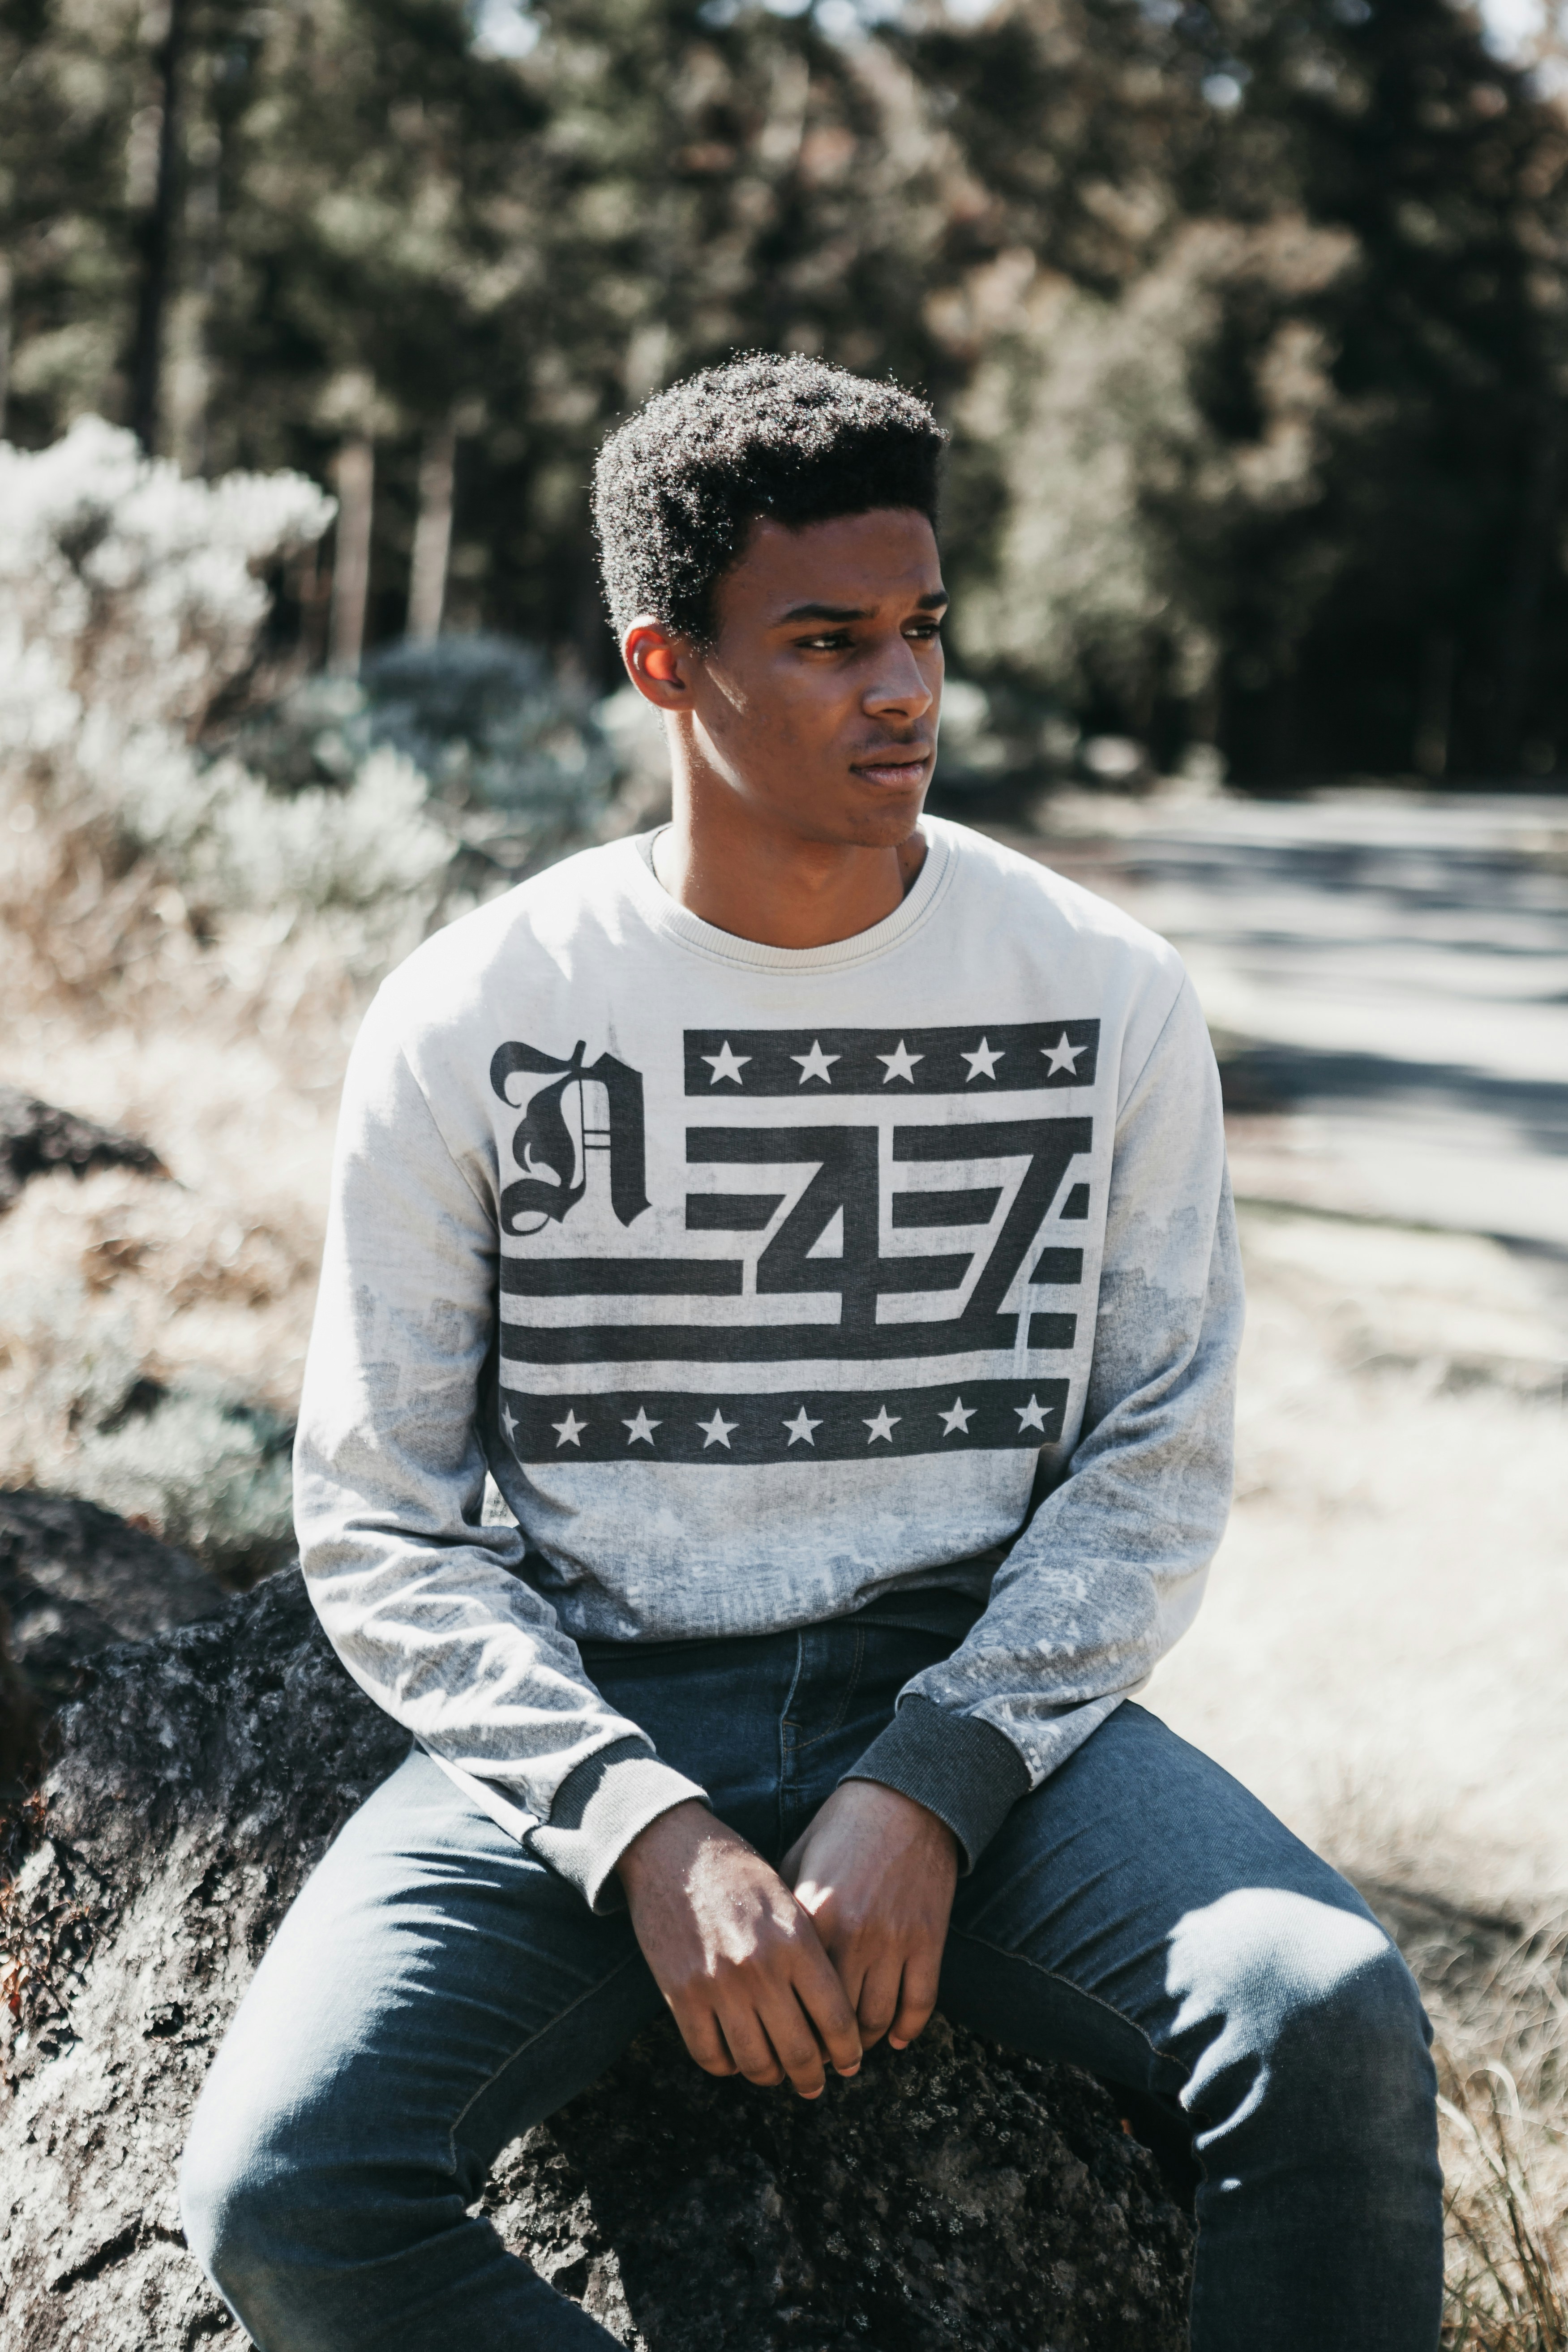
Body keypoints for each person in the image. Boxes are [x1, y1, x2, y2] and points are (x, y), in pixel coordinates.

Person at [180, 354, 1442, 2351]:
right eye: (830, 640)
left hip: (983, 1707)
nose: (906, 690)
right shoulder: (476, 1015)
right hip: (599, 1701)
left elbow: (1153, 1456)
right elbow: (381, 1519)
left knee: (1332, 2018)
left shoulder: (1102, 992)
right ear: (666, 665)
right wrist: (636, 1826)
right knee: (281, 2188)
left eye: (924, 627)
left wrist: (934, 1780)